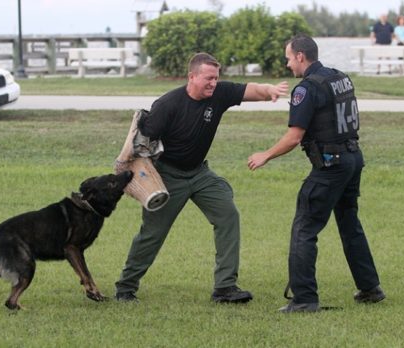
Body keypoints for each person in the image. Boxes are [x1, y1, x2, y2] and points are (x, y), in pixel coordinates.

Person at [115, 52, 289, 303]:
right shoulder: (167, 105)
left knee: (228, 215)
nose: (213, 83)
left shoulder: (218, 94)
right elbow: (139, 144)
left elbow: (250, 90)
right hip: (168, 177)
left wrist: (269, 89)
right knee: (153, 233)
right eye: (208, 78)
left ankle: (225, 288)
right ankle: (125, 287)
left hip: (200, 173)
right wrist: (129, 173)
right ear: (192, 76)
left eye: (216, 78)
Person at [248, 34, 385, 313]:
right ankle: (370, 288)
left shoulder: (306, 89)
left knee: (304, 228)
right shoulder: (340, 77)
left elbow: (294, 137)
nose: (287, 64)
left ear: (300, 56)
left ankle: (304, 299)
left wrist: (265, 155)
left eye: (288, 58)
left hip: (331, 165)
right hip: (352, 158)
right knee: (349, 223)